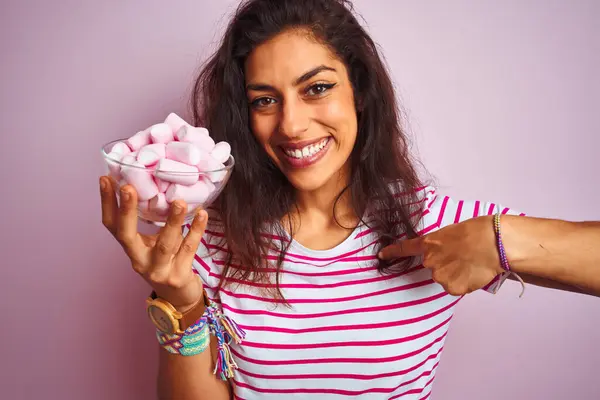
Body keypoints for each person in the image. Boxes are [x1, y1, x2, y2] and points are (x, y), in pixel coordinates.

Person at [99, 0, 600, 398]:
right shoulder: (208, 241)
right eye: (265, 100)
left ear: (358, 91)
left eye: (316, 88)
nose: (291, 125)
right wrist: (180, 302)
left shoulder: (435, 224)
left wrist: (501, 238)